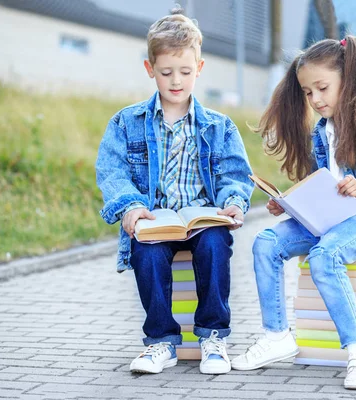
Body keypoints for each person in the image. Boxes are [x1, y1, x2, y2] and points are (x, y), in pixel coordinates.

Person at [230, 35, 356, 390]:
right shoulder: (320, 132)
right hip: (331, 217)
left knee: (324, 255)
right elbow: (320, 182)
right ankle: (277, 336)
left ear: (349, 80)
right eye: (308, 92)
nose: (315, 99)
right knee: (266, 242)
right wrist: (291, 204)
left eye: (322, 88)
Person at [95, 8, 253, 375]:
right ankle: (161, 342)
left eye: (185, 72)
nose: (176, 81)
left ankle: (213, 337)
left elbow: (235, 173)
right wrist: (130, 207)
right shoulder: (126, 122)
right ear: (151, 69)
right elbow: (112, 171)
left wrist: (232, 203)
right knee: (145, 253)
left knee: (215, 244)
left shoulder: (219, 126)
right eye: (166, 73)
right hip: (155, 220)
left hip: (201, 220)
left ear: (199, 68)